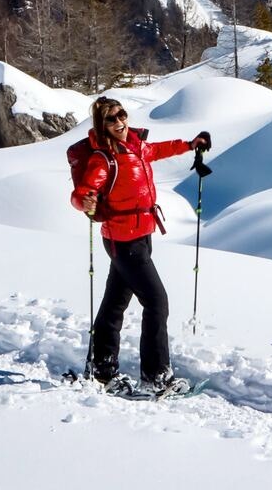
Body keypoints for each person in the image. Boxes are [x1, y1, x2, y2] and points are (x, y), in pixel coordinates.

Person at [70, 96, 210, 394]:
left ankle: (103, 370)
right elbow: (82, 192)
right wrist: (84, 201)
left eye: (122, 114)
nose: (120, 121)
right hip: (123, 239)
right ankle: (156, 377)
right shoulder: (102, 159)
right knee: (156, 302)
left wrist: (190, 143)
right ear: (101, 125)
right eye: (111, 118)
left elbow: (157, 150)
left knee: (115, 303)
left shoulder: (134, 145)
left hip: (140, 235)